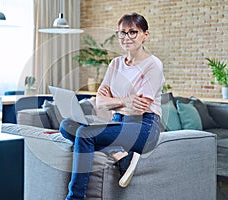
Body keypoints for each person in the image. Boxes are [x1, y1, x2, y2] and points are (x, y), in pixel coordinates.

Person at [59, 13, 164, 200]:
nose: (127, 37)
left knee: (85, 134)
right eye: (122, 33)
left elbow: (139, 109)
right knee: (66, 125)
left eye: (133, 32)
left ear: (145, 35)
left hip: (145, 127)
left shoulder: (153, 65)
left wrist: (112, 103)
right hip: (119, 123)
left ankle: (74, 198)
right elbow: (99, 101)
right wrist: (125, 101)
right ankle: (121, 155)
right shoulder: (115, 64)